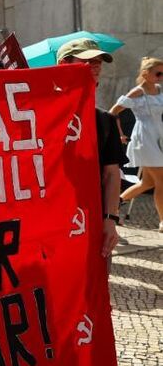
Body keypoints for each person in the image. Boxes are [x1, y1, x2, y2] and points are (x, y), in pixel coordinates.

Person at [56, 38, 125, 258]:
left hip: (89, 220)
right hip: (52, 220)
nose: (96, 65)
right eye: (87, 60)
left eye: (99, 61)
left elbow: (111, 173)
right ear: (64, 65)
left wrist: (110, 219)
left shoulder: (105, 120)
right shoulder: (43, 115)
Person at [110, 57, 163, 231]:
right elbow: (113, 112)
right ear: (145, 73)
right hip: (145, 139)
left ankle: (114, 204)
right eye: (158, 73)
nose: (161, 77)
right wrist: (118, 134)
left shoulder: (159, 89)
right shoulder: (137, 91)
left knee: (147, 183)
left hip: (159, 137)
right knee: (161, 181)